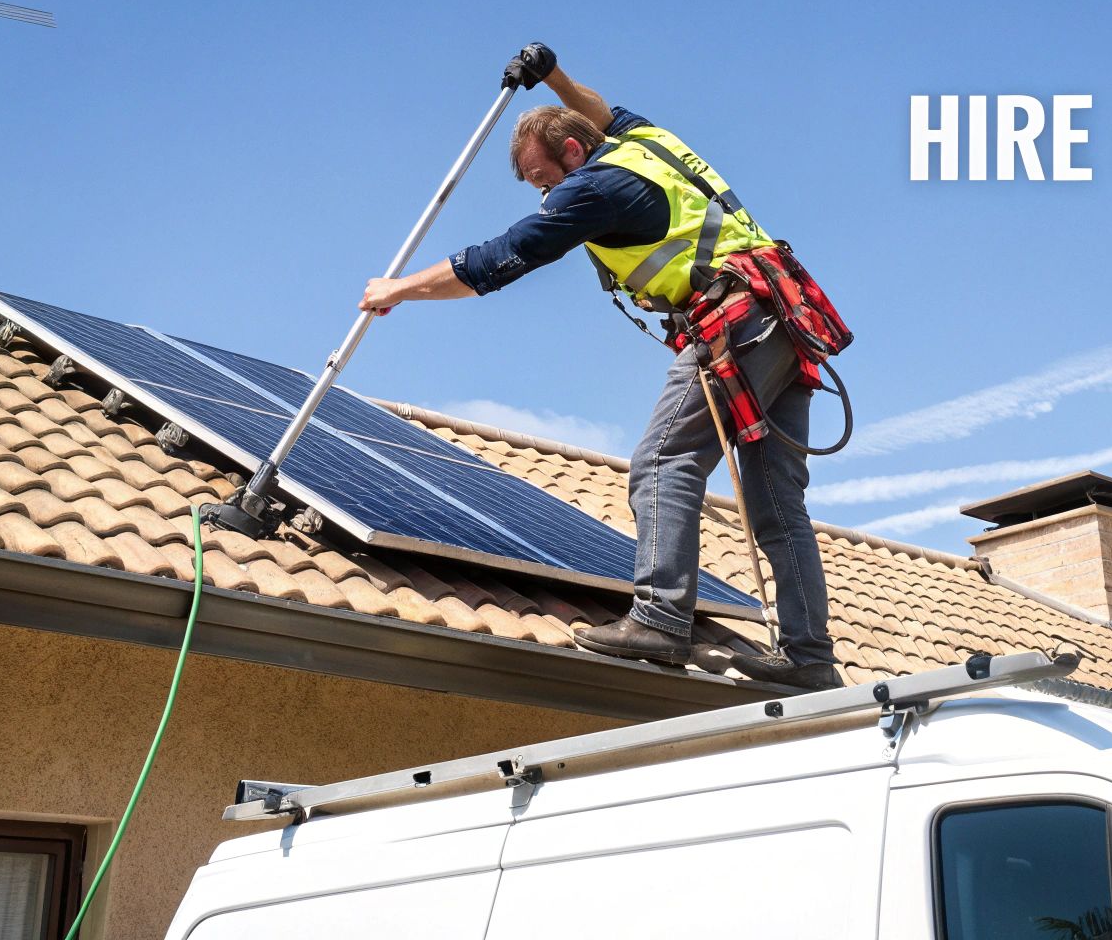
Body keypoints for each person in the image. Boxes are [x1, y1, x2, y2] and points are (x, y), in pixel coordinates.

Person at [358, 44, 841, 690]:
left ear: (573, 155)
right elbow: (597, 108)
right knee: (776, 501)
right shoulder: (643, 140)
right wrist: (551, 74)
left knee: (663, 461)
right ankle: (810, 659)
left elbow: (498, 259)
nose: (547, 194)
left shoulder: (595, 189)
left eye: (543, 181)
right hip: (782, 317)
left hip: (732, 320)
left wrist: (397, 289)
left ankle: (660, 619)